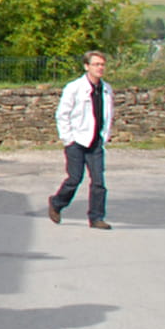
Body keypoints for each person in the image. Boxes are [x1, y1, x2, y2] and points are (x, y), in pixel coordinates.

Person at [48, 51, 113, 229]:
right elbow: (62, 114)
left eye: (102, 64)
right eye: (96, 64)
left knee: (99, 182)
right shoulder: (74, 88)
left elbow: (108, 115)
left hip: (96, 141)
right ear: (87, 66)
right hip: (77, 140)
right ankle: (56, 203)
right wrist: (68, 139)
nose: (100, 68)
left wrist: (104, 136)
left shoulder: (106, 89)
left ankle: (96, 217)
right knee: (75, 179)